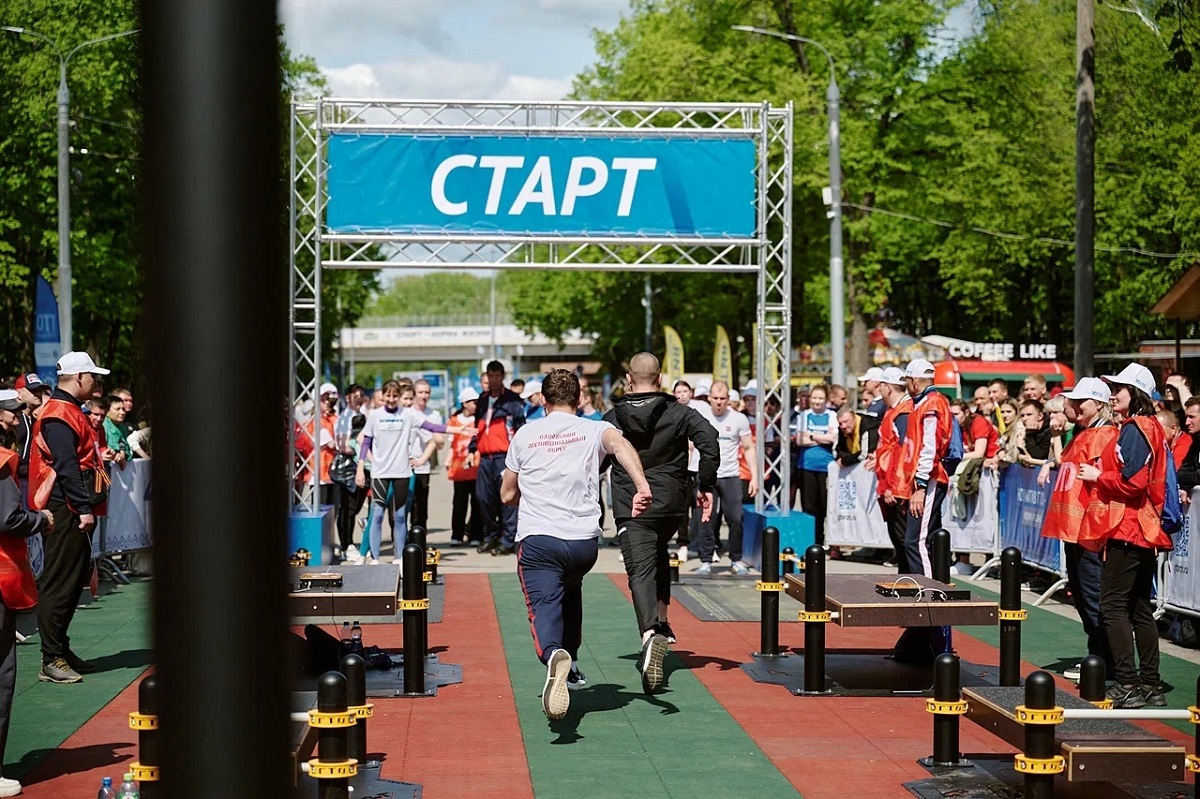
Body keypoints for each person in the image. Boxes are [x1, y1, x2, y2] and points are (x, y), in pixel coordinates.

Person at [500, 369, 653, 718]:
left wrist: (527, 491)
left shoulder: (525, 434)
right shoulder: (595, 428)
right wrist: (642, 486)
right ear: (580, 399)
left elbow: (507, 493)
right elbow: (621, 445)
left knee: (543, 604)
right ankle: (572, 660)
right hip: (583, 544)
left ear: (542, 400)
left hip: (540, 539)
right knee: (570, 588)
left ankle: (554, 653)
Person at [604, 353, 717, 656]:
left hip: (632, 504)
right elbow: (709, 439)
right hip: (670, 502)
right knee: (658, 551)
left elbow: (595, 461)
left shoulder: (613, 418)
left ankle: (650, 633)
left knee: (640, 570)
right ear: (660, 379)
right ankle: (663, 622)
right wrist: (705, 485)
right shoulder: (680, 412)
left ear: (629, 379)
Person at [1078, 364, 1173, 709]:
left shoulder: (1136, 428)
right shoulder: (1149, 426)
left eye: (1119, 388)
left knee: (1113, 605)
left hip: (1129, 526)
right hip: (1141, 528)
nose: (1113, 394)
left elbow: (1133, 483)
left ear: (1136, 393)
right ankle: (1149, 684)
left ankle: (1128, 683)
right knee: (1139, 608)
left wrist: (1098, 476)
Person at [27, 352, 112, 684]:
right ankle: (51, 658)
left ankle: (59, 649)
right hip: (66, 510)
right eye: (92, 376)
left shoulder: (69, 410)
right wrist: (84, 509)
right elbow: (66, 466)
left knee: (73, 581)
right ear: (79, 377)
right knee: (60, 582)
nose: (95, 383)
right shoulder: (59, 414)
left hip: (73, 508)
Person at [0, 390, 52, 798]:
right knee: (1, 674)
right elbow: (8, 519)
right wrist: (40, 519)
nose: (20, 420)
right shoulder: (2, 460)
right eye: (14, 414)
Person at [355, 380, 465, 564]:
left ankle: (399, 558)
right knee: (377, 515)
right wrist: (363, 466)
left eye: (395, 396)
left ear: (398, 397)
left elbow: (433, 428)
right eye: (388, 396)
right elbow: (364, 441)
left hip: (402, 472)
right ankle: (372, 557)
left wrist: (457, 430)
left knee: (400, 517)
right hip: (380, 473)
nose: (391, 399)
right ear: (384, 396)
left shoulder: (408, 415)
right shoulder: (375, 415)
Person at [896, 358, 953, 577]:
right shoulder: (923, 404)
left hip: (929, 479)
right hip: (924, 478)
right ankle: (927, 585)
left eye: (907, 381)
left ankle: (928, 589)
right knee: (920, 539)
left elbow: (930, 446)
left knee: (916, 541)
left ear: (914, 381)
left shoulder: (932, 404)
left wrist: (920, 485)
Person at [696, 381, 757, 575]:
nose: (719, 402)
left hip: (731, 475)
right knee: (707, 517)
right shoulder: (701, 417)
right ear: (709, 398)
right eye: (715, 398)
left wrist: (755, 476)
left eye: (723, 398)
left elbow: (749, 447)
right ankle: (706, 560)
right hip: (707, 476)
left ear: (728, 399)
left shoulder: (739, 419)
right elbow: (689, 446)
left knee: (736, 517)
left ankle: (736, 559)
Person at [469, 361, 526, 556]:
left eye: (496, 376)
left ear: (502, 377)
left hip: (505, 456)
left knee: (507, 498)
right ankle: (490, 536)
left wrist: (520, 454)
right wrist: (472, 448)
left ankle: (507, 540)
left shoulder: (512, 400)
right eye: (490, 376)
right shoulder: (483, 399)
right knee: (483, 497)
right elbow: (477, 427)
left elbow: (520, 427)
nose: (493, 379)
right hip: (485, 457)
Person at [871, 367, 911, 572]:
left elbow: (903, 453)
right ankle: (905, 576)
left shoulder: (904, 413)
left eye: (881, 386)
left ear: (888, 387)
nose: (879, 390)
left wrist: (892, 487)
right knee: (897, 536)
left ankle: (912, 578)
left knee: (903, 537)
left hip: (898, 488)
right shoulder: (893, 411)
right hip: (889, 483)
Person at [794, 384, 836, 549]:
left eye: (820, 398)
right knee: (809, 505)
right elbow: (799, 440)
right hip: (807, 465)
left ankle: (823, 538)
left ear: (826, 400)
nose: (817, 401)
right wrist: (821, 438)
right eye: (814, 398)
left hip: (826, 466)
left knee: (824, 505)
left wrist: (811, 435)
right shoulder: (804, 416)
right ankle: (810, 539)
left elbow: (833, 438)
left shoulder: (831, 415)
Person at [447, 387, 483, 546]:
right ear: (464, 403)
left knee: (477, 502)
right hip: (459, 468)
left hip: (476, 467)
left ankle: (476, 535)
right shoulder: (454, 421)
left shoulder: (479, 419)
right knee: (459, 503)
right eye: (473, 402)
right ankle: (457, 535)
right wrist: (448, 460)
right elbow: (451, 444)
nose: (475, 405)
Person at [410, 379, 444, 531]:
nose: (424, 396)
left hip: (422, 466)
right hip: (404, 465)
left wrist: (437, 439)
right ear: (414, 394)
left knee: (420, 506)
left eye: (427, 392)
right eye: (420, 392)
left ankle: (419, 538)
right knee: (402, 506)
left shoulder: (434, 415)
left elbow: (439, 443)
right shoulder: (406, 412)